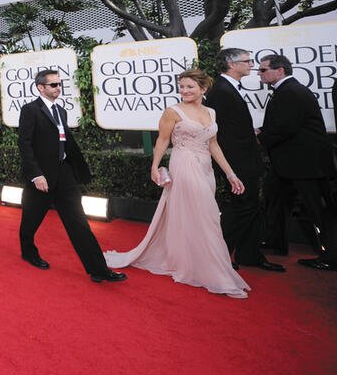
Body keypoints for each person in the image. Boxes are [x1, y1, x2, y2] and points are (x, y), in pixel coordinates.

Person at [105, 69, 249, 297]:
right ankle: (217, 274)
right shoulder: (173, 112)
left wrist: (231, 174)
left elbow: (213, 145)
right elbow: (162, 141)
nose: (184, 91)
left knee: (198, 216)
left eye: (190, 86)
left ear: (203, 88)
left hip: (205, 168)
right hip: (183, 165)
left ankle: (193, 262)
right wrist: (154, 166)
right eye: (182, 86)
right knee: (208, 216)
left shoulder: (211, 112)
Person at [18, 69, 126, 284]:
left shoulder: (61, 111)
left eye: (59, 84)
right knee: (31, 220)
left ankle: (98, 269)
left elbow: (64, 141)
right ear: (41, 87)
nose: (58, 88)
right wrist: (36, 175)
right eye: (53, 85)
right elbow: (25, 144)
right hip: (42, 177)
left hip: (65, 174)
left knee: (79, 222)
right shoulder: (30, 110)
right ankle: (28, 252)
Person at [258, 54, 337, 272]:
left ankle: (336, 257)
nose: (260, 74)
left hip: (305, 165)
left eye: (263, 70)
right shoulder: (288, 91)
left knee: (319, 209)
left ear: (280, 71)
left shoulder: (291, 92)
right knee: (272, 198)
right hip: (288, 163)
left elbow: (285, 127)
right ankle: (274, 241)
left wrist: (259, 138)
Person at [204, 49, 284, 272]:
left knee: (252, 207)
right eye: (247, 61)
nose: (252, 65)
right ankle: (216, 257)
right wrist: (231, 170)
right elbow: (217, 134)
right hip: (237, 163)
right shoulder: (221, 90)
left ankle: (249, 254)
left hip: (246, 160)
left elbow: (233, 126)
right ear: (231, 64)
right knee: (243, 207)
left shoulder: (227, 88)